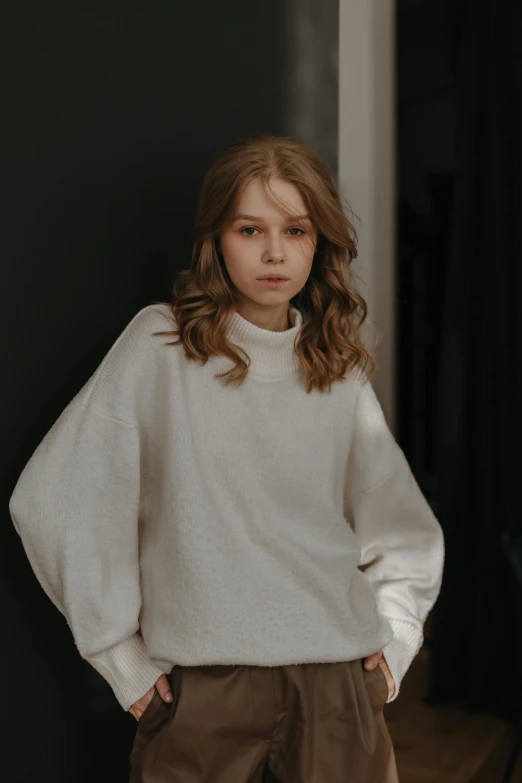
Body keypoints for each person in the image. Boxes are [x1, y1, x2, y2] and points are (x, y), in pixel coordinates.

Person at [9, 134, 444, 783]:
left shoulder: (335, 365)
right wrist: (118, 655)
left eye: (296, 230)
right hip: (203, 687)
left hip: (335, 681)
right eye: (250, 228)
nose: (275, 252)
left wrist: (399, 633)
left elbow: (403, 526)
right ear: (217, 237)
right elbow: (53, 497)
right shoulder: (161, 346)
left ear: (319, 240)